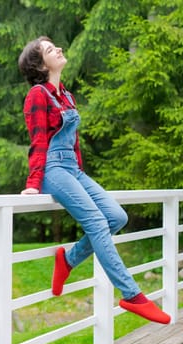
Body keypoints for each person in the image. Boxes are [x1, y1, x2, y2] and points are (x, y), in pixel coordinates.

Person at [17, 36, 170, 325]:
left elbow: (73, 142)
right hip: (53, 169)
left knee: (116, 217)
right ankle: (132, 295)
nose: (59, 49)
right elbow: (38, 141)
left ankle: (68, 260)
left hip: (72, 169)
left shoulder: (66, 95)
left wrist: (80, 173)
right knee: (97, 223)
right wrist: (34, 183)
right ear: (39, 64)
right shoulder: (38, 94)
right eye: (50, 50)